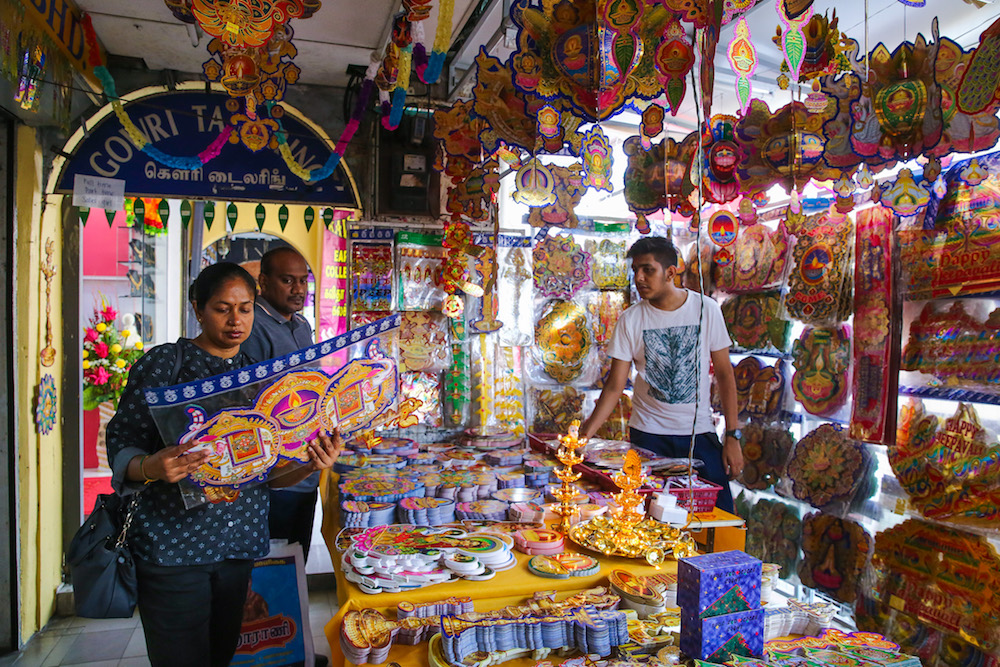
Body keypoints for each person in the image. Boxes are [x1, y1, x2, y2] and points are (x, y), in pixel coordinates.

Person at [106, 262, 343, 667]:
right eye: (222, 308)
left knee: (222, 655)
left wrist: (309, 465)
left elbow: (267, 472)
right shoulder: (167, 365)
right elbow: (122, 444)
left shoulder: (259, 375)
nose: (236, 320)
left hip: (237, 547)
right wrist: (152, 467)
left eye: (246, 308)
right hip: (173, 550)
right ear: (198, 308)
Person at [580, 237, 743, 513]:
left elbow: (725, 375)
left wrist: (733, 436)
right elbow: (614, 386)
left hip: (699, 436)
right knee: (650, 521)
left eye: (648, 270)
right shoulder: (630, 319)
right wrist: (583, 438)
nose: (639, 278)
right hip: (648, 437)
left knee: (718, 516)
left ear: (671, 272)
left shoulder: (707, 310)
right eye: (635, 271)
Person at [240, 247, 324, 564]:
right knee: (271, 567)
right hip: (274, 473)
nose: (298, 289)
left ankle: (289, 615)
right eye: (288, 280)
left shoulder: (301, 325)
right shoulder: (252, 328)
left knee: (295, 557)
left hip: (306, 466)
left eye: (303, 280)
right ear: (263, 281)